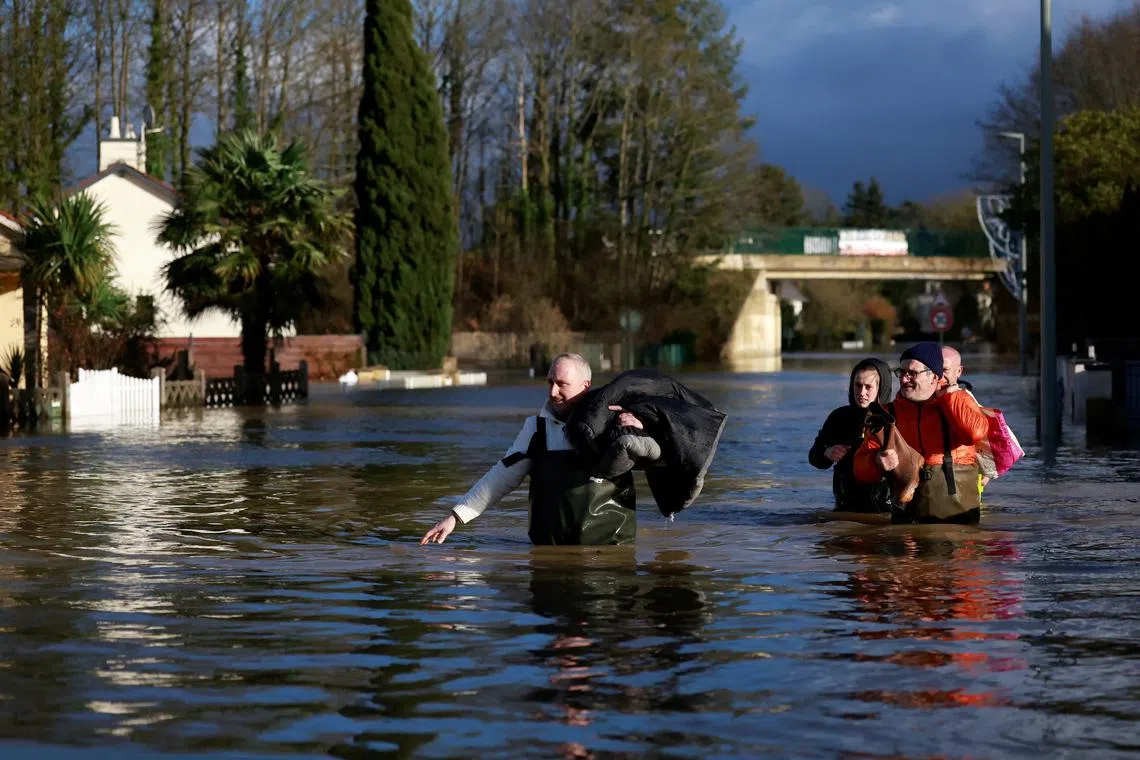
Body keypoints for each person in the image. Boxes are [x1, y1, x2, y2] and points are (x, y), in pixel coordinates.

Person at [421, 353, 640, 546]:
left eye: (562, 384)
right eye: (550, 382)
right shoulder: (535, 429)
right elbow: (502, 476)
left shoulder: (618, 420)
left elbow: (661, 459)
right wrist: (455, 517)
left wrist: (644, 425)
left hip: (610, 549)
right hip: (548, 550)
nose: (553, 392)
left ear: (586, 386)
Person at [853, 342, 990, 525]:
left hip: (957, 522)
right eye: (901, 373)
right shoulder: (886, 414)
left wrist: (951, 396)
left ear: (934, 377)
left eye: (912, 373)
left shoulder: (958, 400)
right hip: (906, 521)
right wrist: (876, 461)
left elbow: (975, 433)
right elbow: (859, 470)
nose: (904, 379)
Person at [808, 358, 894, 515]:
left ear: (881, 388)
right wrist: (828, 452)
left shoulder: (893, 420)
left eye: (868, 387)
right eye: (858, 385)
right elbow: (814, 456)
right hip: (845, 507)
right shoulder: (839, 416)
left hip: (885, 510)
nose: (861, 392)